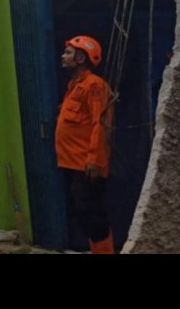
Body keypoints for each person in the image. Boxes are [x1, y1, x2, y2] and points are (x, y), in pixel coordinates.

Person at [56, 35, 115, 254]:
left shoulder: (94, 86)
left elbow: (100, 125)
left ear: (81, 58)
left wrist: (94, 161)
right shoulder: (74, 86)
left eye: (69, 53)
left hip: (86, 165)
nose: (63, 56)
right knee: (85, 214)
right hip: (72, 163)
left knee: (92, 215)